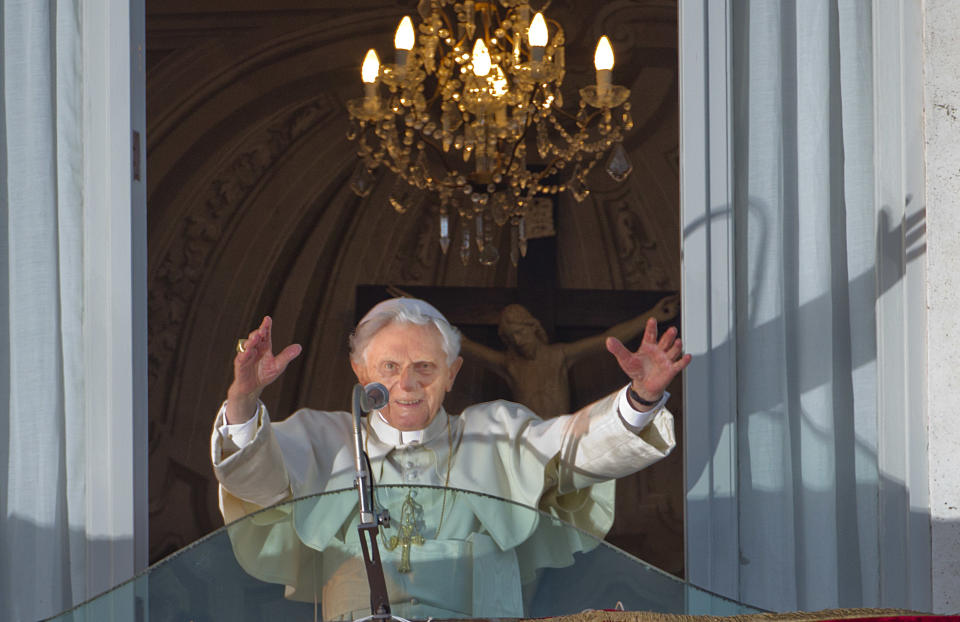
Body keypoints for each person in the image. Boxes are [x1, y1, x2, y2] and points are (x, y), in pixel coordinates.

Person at [211, 297, 690, 619]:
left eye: (425, 368)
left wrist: (640, 399)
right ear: (360, 372)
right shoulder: (323, 437)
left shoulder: (493, 433)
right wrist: (242, 400)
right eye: (390, 368)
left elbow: (573, 450)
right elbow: (258, 482)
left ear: (452, 374)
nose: (408, 384)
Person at [460, 294, 681, 417]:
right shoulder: (510, 365)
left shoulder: (558, 356)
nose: (518, 340)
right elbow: (466, 346)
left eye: (520, 332)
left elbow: (609, 338)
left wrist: (652, 316)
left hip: (562, 435)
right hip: (527, 441)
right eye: (511, 337)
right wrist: (428, 321)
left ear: (533, 328)